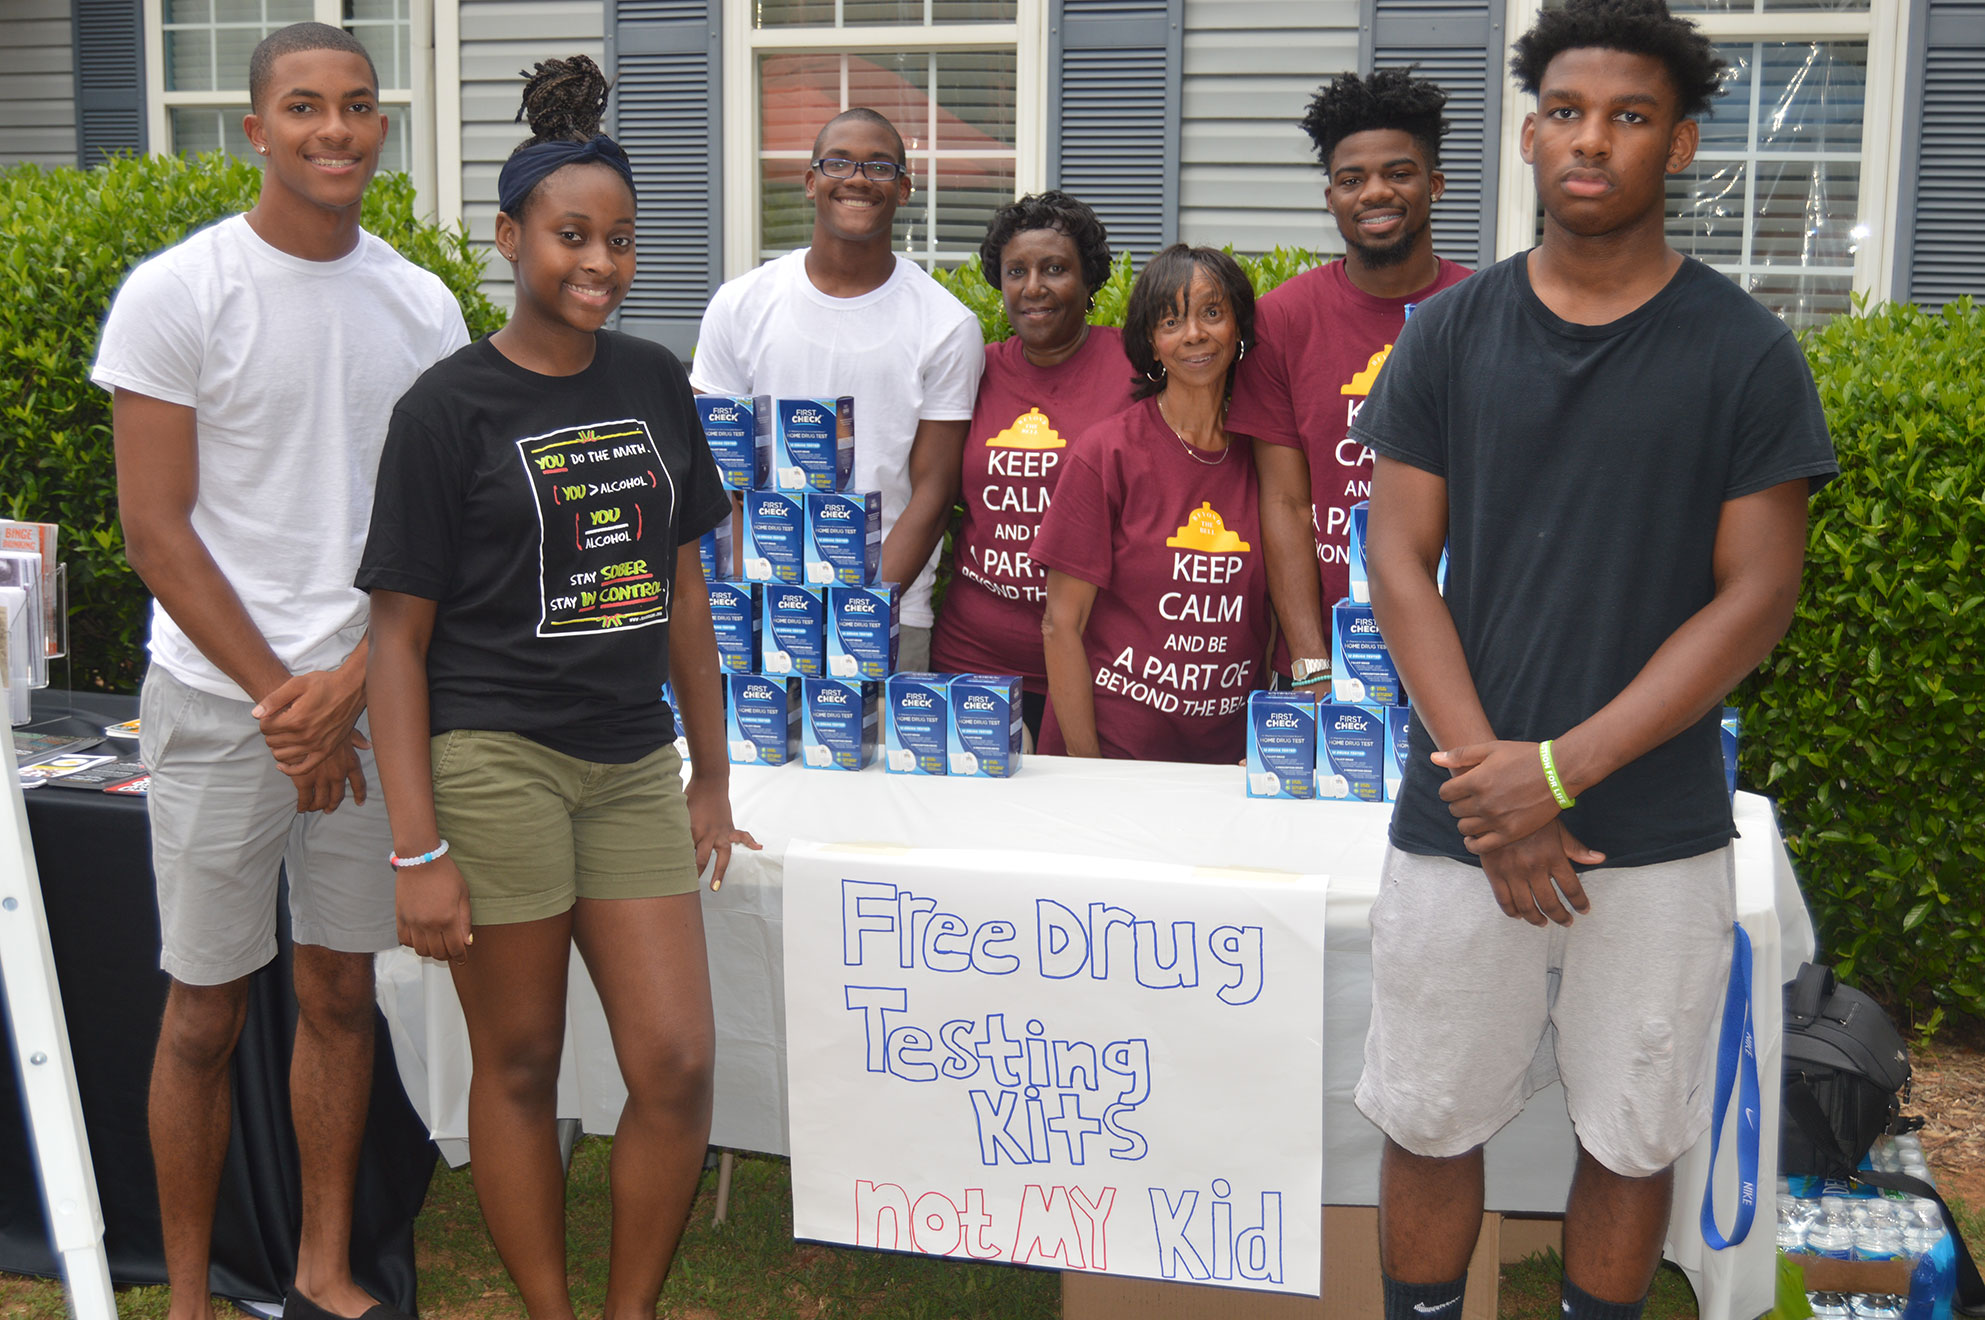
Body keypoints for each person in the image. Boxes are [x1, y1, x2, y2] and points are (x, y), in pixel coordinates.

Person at [1350, 3, 1837, 1318]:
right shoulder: (1450, 334)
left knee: (1631, 1128)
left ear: (1677, 147)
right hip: (1461, 813)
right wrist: (1493, 792)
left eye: (1628, 118)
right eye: (1566, 112)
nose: (1591, 141)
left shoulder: (1744, 354)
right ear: (1526, 134)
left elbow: (1757, 598)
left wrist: (1556, 773)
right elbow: (1398, 565)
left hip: (1654, 821)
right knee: (1431, 1112)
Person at [358, 57, 754, 1320]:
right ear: (510, 238)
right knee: (519, 1059)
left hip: (630, 761)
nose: (601, 261)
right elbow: (395, 643)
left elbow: (683, 590)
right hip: (494, 761)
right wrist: (417, 847)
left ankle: (626, 1310)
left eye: (621, 240)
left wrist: (713, 770)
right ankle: (548, 1308)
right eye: (573, 236)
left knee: (677, 1061)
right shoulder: (445, 410)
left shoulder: (650, 380)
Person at [93, 23, 468, 1320]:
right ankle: (191, 1297)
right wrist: (284, 702)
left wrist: (354, 682)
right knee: (202, 1013)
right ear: (254, 131)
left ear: (382, 127)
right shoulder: (177, 293)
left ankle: (319, 1268)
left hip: (367, 701)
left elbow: (446, 533)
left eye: (358, 107)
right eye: (303, 108)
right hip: (218, 706)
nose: (334, 130)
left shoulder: (423, 308)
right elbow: (155, 525)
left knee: (340, 991)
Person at [689, 107, 984, 669]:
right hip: (754, 605)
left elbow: (933, 492)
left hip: (886, 612)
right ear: (810, 182)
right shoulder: (740, 304)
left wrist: (856, 610)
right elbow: (716, 470)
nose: (856, 178)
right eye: (839, 163)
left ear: (904, 187)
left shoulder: (946, 325)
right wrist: (774, 592)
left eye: (878, 167)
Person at [1227, 67, 1471, 689]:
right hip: (1334, 653)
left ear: (1435, 184)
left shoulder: (1486, 309)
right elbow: (1284, 501)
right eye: (1351, 179)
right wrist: (1310, 661)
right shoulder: (1283, 319)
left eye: (1398, 172)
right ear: (1330, 196)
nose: (1374, 193)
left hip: (1465, 647)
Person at [1032, 245, 1270, 764]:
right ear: (1150, 341)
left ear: (1239, 328)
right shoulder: (1108, 452)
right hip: (1115, 755)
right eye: (1171, 320)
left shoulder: (1266, 458)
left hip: (1223, 767)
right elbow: (1061, 624)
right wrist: (1088, 770)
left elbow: (1272, 617)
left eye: (1212, 313)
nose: (1194, 335)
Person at [929, 191, 1135, 740]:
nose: (1033, 287)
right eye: (1016, 271)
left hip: (1093, 664)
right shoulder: (975, 371)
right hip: (971, 658)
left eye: (1055, 269)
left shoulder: (1136, 371)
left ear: (1089, 280)